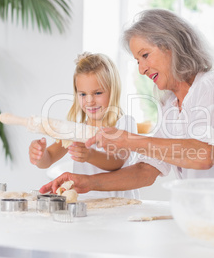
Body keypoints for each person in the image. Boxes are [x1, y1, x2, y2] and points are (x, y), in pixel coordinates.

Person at [40, 9, 214, 195]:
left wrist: (127, 139)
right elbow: (146, 171)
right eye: (137, 61)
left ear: (171, 47)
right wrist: (87, 182)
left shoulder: (211, 85)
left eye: (145, 55)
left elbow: (204, 155)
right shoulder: (171, 107)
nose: (142, 69)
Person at [30, 52, 139, 199]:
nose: (89, 101)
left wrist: (89, 155)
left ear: (113, 90)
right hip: (88, 208)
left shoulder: (124, 123)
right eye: (82, 94)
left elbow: (118, 161)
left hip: (122, 208)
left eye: (97, 93)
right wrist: (40, 154)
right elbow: (48, 159)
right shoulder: (75, 129)